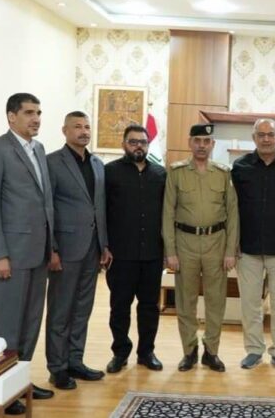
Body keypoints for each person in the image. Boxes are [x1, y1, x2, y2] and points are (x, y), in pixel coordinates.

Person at [0, 92, 55, 415]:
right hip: (10, 255)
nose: (36, 119)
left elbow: (45, 204)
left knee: (31, 323)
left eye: (39, 113)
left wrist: (52, 248)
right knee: (8, 325)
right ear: (11, 116)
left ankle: (20, 382)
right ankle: (3, 391)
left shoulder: (39, 149)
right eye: (29, 113)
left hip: (38, 253)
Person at [162, 123, 238, 373]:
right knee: (186, 301)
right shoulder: (176, 172)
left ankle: (211, 352)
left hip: (216, 242)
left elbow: (233, 213)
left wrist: (230, 250)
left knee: (216, 301)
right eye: (197, 141)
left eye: (206, 141)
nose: (202, 146)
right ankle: (189, 351)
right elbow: (167, 212)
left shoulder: (223, 173)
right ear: (190, 143)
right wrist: (170, 251)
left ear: (213, 144)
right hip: (185, 243)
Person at [45, 111, 111, 389]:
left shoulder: (97, 163)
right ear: (65, 130)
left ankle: (75, 361)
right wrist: (52, 249)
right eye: (77, 127)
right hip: (65, 249)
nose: (84, 131)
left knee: (82, 310)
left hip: (92, 250)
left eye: (87, 127)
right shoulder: (51, 162)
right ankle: (57, 367)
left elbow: (99, 207)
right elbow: (47, 208)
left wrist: (104, 244)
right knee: (61, 311)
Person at [231, 118, 275, 371]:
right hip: (247, 249)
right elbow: (232, 208)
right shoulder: (240, 167)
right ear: (254, 138)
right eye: (260, 135)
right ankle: (253, 350)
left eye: (270, 134)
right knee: (250, 305)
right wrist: (232, 243)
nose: (266, 139)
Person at [104, 125, 166, 373]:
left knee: (149, 306)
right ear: (124, 144)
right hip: (121, 254)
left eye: (143, 142)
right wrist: (104, 246)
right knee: (120, 306)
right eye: (133, 141)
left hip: (152, 253)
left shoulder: (161, 174)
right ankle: (120, 353)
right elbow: (102, 211)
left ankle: (146, 352)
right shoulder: (110, 172)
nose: (138, 146)